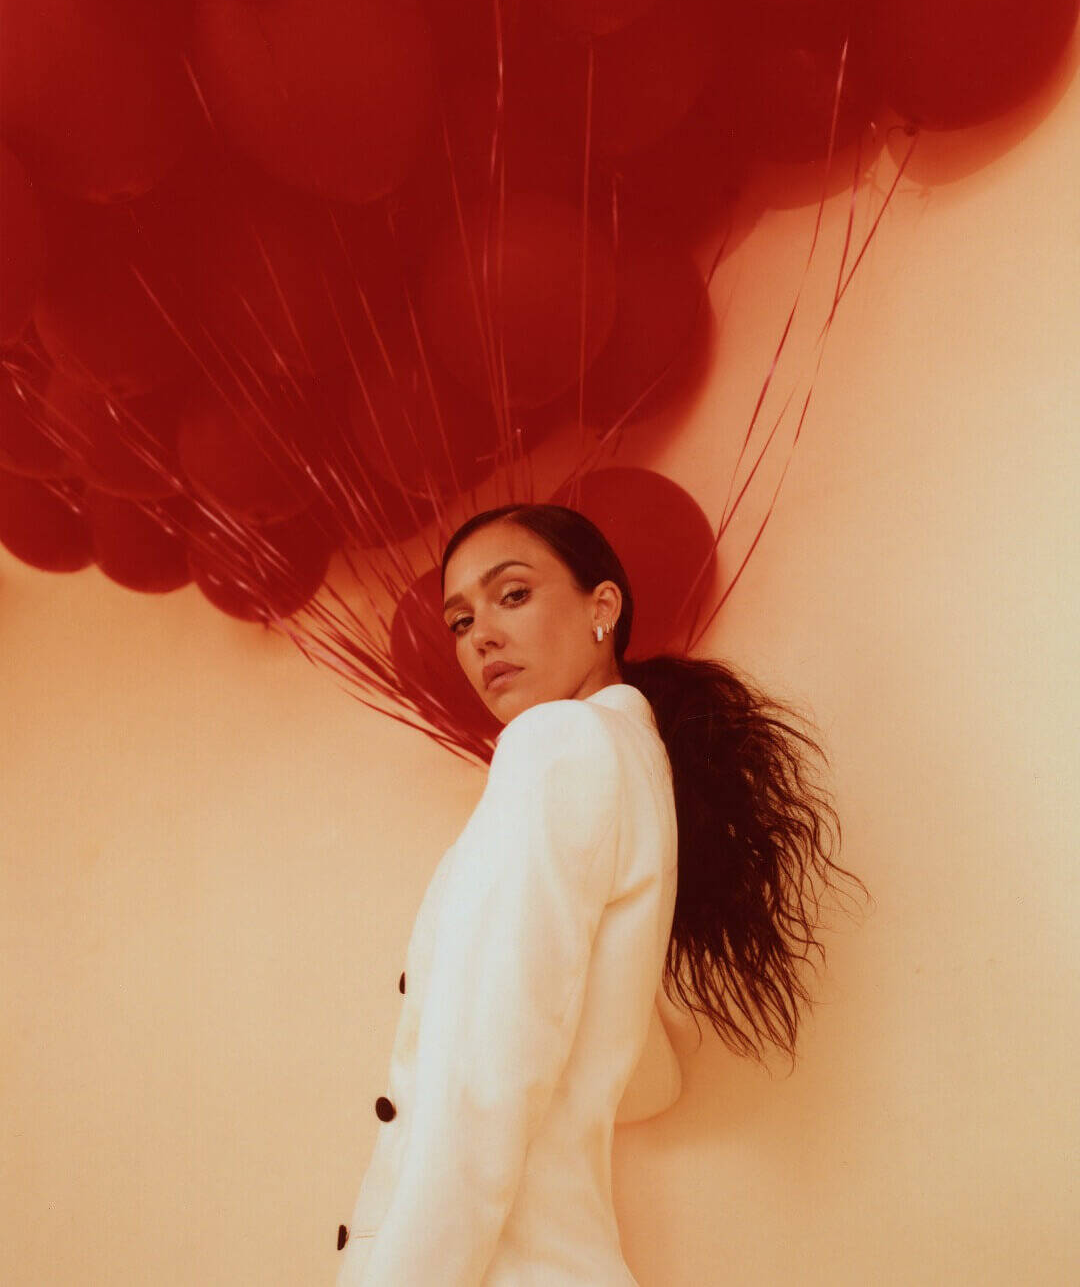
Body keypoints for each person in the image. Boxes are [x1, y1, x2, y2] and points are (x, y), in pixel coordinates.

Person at [336, 502, 868, 1285]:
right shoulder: (633, 761)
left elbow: (486, 1072)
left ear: (603, 607)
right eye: (459, 620)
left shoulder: (553, 747)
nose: (479, 635)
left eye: (511, 595)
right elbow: (645, 1082)